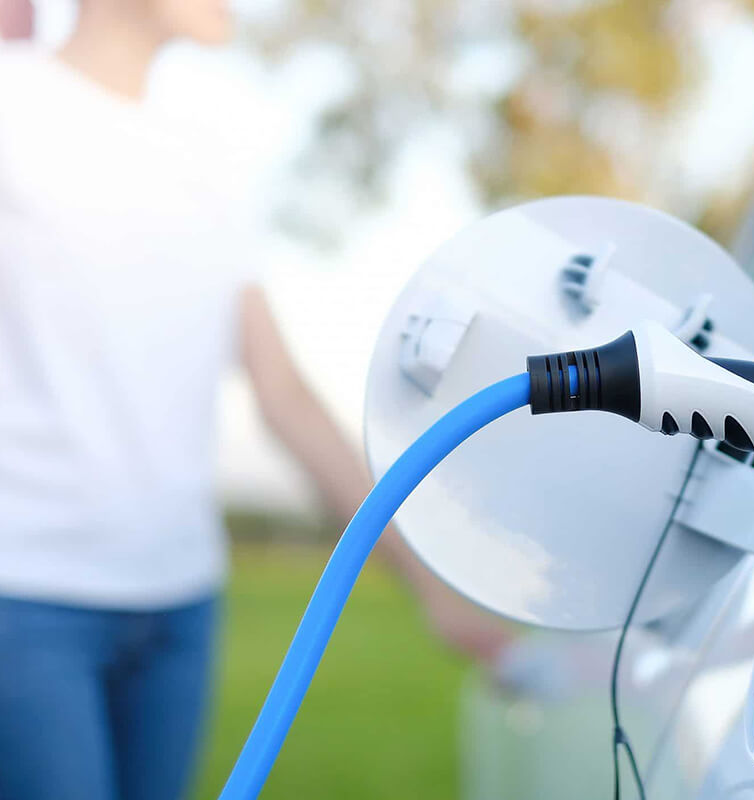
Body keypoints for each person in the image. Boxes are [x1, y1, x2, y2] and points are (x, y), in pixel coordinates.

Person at [0, 1, 510, 798]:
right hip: (27, 603)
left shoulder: (204, 163)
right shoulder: (16, 105)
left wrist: (427, 584)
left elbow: (283, 395)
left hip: (178, 608)